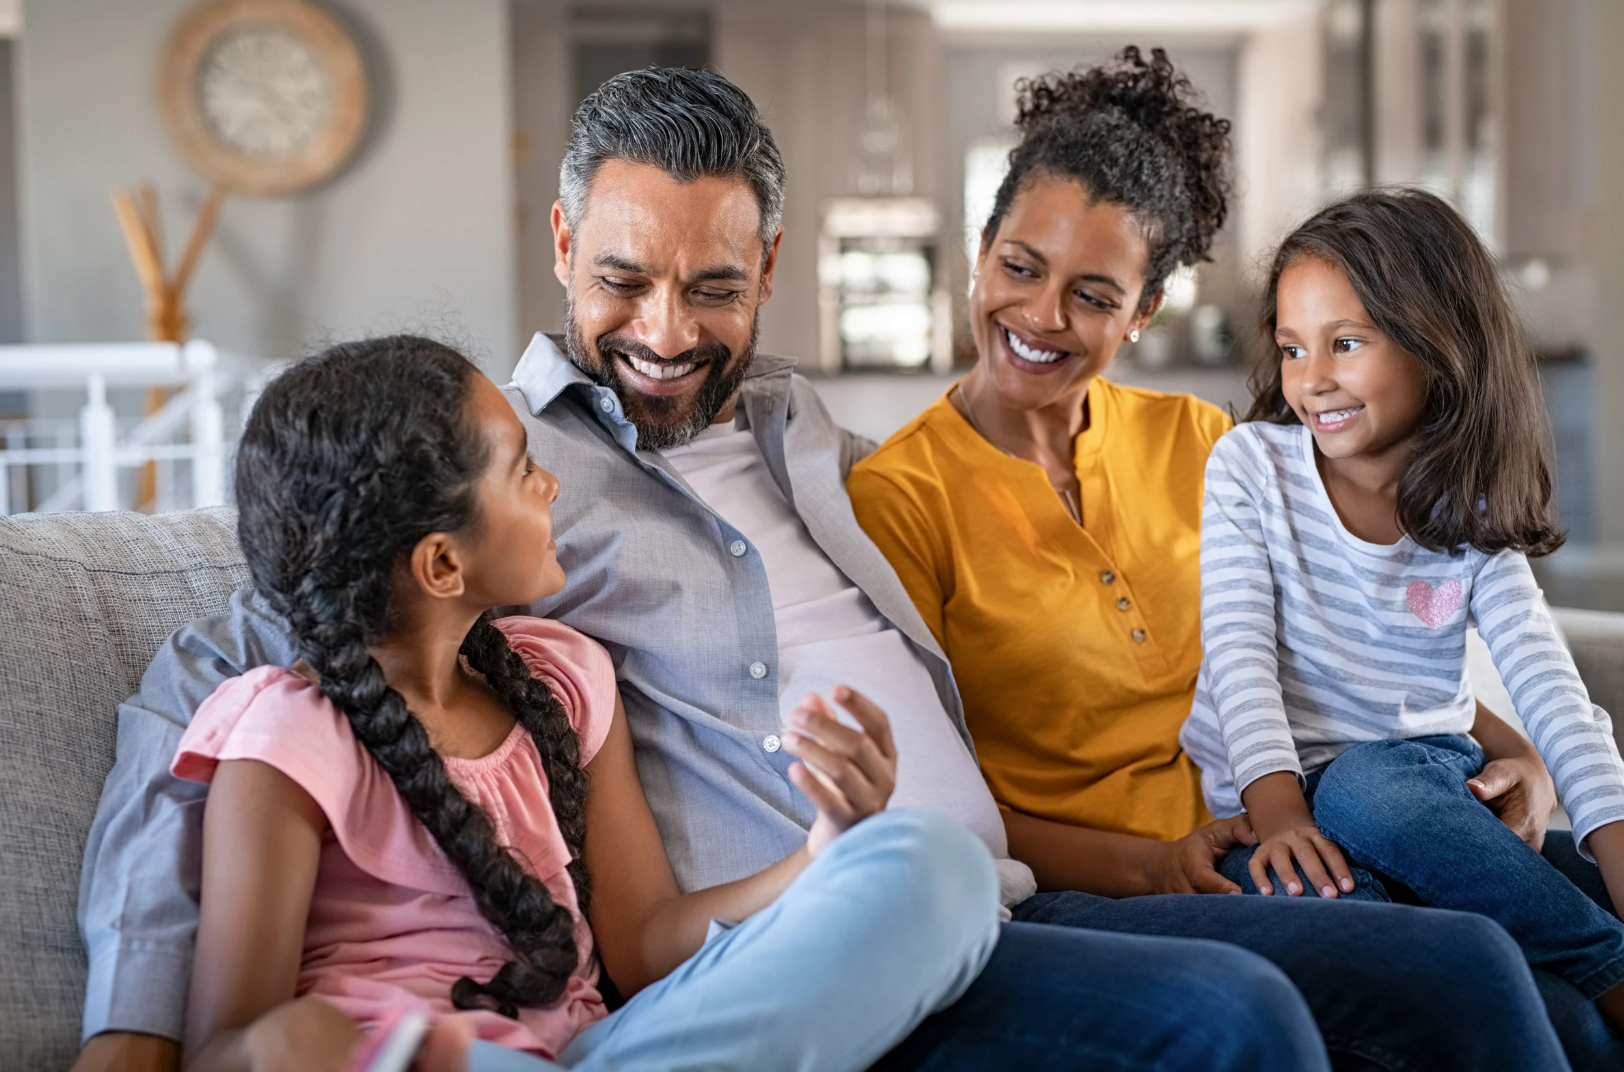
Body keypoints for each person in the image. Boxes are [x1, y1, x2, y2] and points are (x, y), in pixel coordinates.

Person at [74, 66, 1541, 1072]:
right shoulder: (480, 473)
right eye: (623, 280)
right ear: (562, 238)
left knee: (1463, 973)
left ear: (770, 267)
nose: (665, 329)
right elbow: (226, 668)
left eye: (713, 286)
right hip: (805, 936)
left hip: (1016, 889)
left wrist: (1467, 723)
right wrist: (134, 1039)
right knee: (1238, 1022)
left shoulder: (803, 427)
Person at [848, 47, 1604, 1068]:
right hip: (1107, 885)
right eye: (1019, 267)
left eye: (1093, 293)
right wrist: (1152, 861)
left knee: (1566, 959)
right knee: (1472, 968)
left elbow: (1341, 632)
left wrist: (1510, 747)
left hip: (1283, 826)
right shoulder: (899, 496)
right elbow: (935, 805)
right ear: (980, 255)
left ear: (1144, 310)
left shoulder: (1197, 440)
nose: (1040, 316)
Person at [175, 334, 1001, 1072]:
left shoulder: (564, 682)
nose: (553, 483)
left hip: (607, 1053)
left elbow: (643, 947)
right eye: (522, 471)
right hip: (409, 1058)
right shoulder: (288, 737)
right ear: (442, 566)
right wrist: (299, 1046)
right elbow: (223, 1044)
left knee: (936, 866)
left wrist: (823, 852)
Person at [1181, 186, 1624, 1027]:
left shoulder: (1471, 516)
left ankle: (1607, 965)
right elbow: (1237, 652)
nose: (1312, 381)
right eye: (1291, 348)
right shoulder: (1251, 469)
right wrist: (1275, 814)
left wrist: (1615, 838)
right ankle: (1599, 976)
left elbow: (1551, 689)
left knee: (1371, 791)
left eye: (1345, 343)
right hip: (1278, 804)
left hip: (1413, 789)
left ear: (1437, 345)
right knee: (1366, 866)